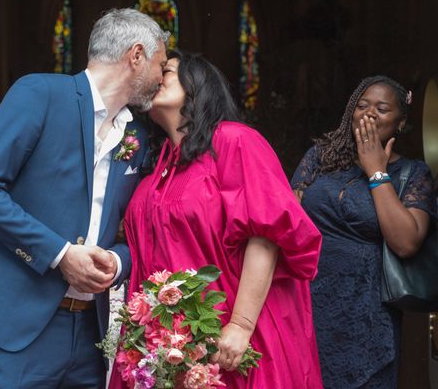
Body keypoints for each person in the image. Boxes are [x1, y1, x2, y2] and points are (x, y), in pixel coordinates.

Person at [0, 8, 169, 388]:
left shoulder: (138, 137)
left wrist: (117, 261)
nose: (161, 78)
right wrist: (60, 254)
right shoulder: (40, 94)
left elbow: (136, 226)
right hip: (12, 327)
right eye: (160, 64)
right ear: (136, 55)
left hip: (88, 336)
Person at [109, 51, 324, 388]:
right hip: (164, 351)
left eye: (166, 70)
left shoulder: (234, 141)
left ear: (197, 85)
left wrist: (240, 325)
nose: (155, 78)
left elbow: (266, 233)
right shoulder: (154, 169)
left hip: (230, 341)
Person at [291, 75, 437, 388]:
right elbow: (289, 222)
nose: (369, 114)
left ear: (400, 123)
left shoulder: (413, 174)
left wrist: (376, 171)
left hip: (365, 316)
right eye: (362, 106)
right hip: (308, 301)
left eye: (382, 109)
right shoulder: (319, 159)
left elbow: (406, 242)